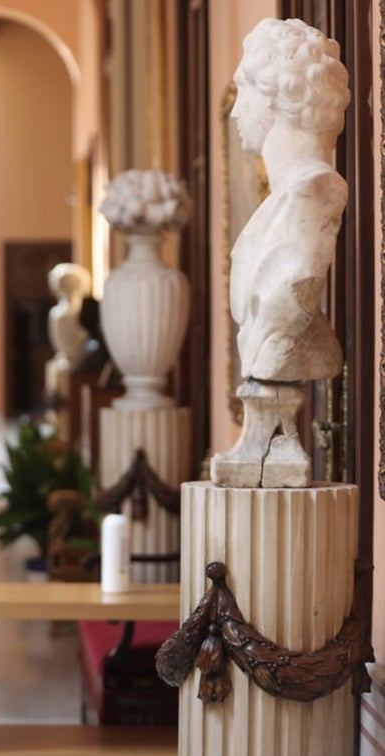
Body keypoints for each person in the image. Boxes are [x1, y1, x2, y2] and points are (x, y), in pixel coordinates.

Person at [213, 18, 349, 486]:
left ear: (277, 96)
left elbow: (288, 301)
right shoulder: (280, 205)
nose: (235, 113)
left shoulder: (314, 194)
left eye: (243, 92)